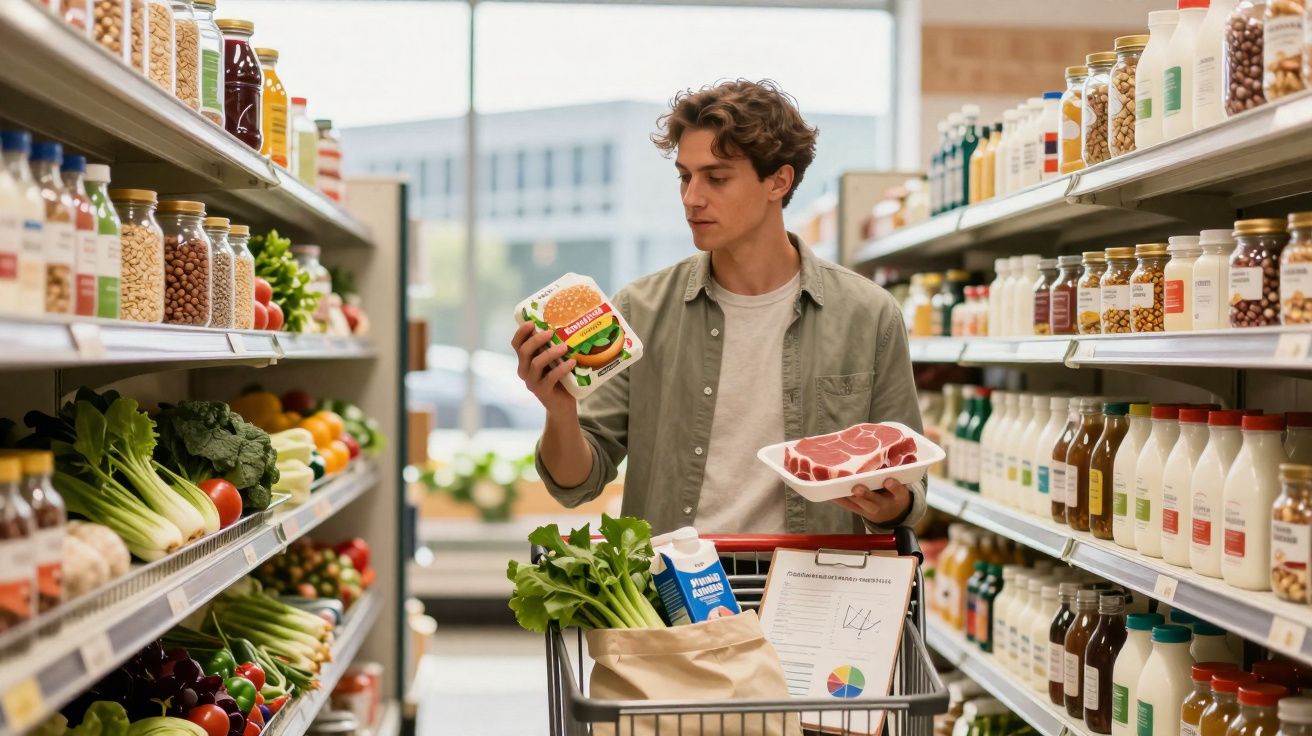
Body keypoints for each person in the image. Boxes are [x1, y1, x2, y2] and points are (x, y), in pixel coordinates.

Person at [511, 79, 925, 535]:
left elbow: (909, 486)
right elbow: (576, 483)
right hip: (673, 594)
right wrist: (560, 411)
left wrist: (887, 505)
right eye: (685, 177)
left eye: (717, 177)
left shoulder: (868, 315)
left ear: (778, 181)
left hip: (813, 591)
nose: (692, 198)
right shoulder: (641, 310)